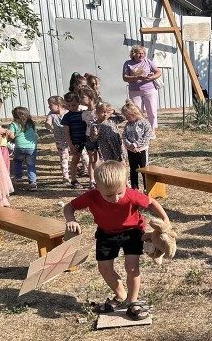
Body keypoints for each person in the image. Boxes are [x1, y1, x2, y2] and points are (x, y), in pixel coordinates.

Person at [63, 160, 170, 320]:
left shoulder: (130, 194)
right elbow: (69, 207)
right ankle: (120, 295)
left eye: (119, 192)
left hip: (132, 232)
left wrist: (165, 220)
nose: (116, 198)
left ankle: (133, 302)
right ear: (97, 188)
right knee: (104, 268)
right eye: (109, 195)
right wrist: (70, 219)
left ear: (125, 184)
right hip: (106, 233)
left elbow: (152, 203)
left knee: (131, 267)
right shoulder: (91, 196)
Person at [122, 45, 161, 138]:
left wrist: (152, 77)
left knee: (151, 111)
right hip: (134, 91)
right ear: (133, 54)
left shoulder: (148, 61)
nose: (141, 55)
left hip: (149, 90)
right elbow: (125, 77)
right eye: (139, 53)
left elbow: (158, 72)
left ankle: (152, 131)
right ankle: (139, 130)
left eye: (143, 53)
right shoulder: (128, 63)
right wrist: (137, 77)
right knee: (136, 111)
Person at [122, 100, 152, 191]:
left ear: (134, 113)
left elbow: (147, 136)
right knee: (133, 169)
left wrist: (136, 144)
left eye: (128, 116)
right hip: (131, 150)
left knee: (144, 169)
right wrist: (129, 145)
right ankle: (135, 188)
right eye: (125, 117)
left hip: (142, 149)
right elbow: (124, 135)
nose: (127, 119)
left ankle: (147, 188)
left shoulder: (144, 122)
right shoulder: (128, 124)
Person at [62, 92, 88, 189]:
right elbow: (66, 132)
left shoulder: (84, 113)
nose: (71, 107)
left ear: (78, 102)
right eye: (68, 105)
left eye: (73, 105)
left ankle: (93, 179)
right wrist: (70, 145)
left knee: (90, 160)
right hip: (76, 141)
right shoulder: (67, 116)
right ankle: (73, 180)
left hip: (87, 139)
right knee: (75, 160)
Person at [9, 106, 38, 191]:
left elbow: (11, 135)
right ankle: (33, 183)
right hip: (32, 148)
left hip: (19, 147)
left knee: (18, 161)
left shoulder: (14, 124)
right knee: (31, 165)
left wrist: (13, 139)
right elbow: (35, 135)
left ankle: (18, 177)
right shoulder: (32, 124)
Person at [45, 95, 70, 183]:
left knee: (82, 154)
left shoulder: (68, 112)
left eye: (50, 105)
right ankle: (65, 176)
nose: (49, 107)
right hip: (60, 140)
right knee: (63, 157)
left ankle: (86, 170)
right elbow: (47, 122)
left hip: (72, 138)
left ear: (58, 105)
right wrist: (50, 127)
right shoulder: (51, 114)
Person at [80, 87, 100, 189]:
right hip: (89, 138)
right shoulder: (84, 113)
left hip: (100, 137)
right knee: (92, 159)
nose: (80, 99)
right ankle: (92, 180)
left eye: (83, 97)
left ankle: (101, 179)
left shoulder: (99, 110)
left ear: (91, 98)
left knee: (101, 159)